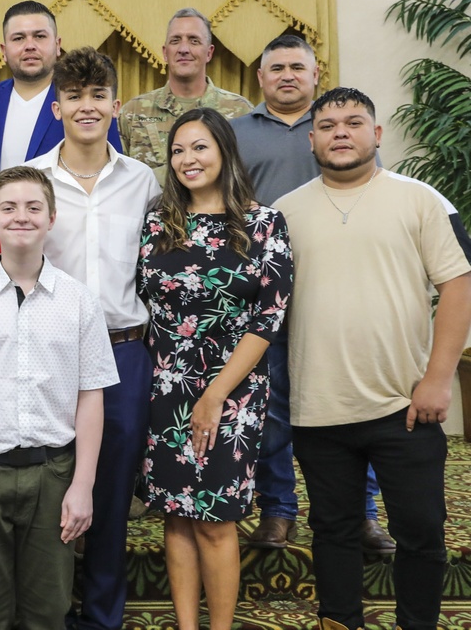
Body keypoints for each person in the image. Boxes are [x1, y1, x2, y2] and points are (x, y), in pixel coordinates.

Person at [274, 87, 471, 630]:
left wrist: (438, 378)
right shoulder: (284, 213)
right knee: (332, 531)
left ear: (376, 135)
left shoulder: (419, 200)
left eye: (354, 122)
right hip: (320, 406)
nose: (341, 132)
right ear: (311, 138)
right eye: (329, 124)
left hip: (405, 404)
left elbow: (457, 285)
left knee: (421, 532)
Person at [0, 165, 119, 630]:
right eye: (8, 207)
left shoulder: (79, 302)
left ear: (52, 217)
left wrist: (83, 486)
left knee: (48, 612)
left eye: (34, 207)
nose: (21, 217)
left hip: (53, 474)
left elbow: (91, 398)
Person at [230, 36, 394, 552]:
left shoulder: (339, 130)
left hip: (337, 294)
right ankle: (278, 511)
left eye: (296, 67)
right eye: (275, 68)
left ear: (315, 72)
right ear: (259, 77)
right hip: (263, 299)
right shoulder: (235, 133)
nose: (286, 76)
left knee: (350, 405)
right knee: (272, 410)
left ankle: (362, 512)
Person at [138, 108, 293, 630]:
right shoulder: (158, 221)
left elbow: (268, 318)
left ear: (224, 150)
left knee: (216, 520)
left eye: (199, 147)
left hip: (234, 392)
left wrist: (214, 394)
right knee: (178, 517)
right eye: (178, 150)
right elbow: (146, 302)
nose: (187, 160)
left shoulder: (264, 223)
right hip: (165, 387)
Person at [24, 46, 159, 630]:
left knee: (110, 490)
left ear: (116, 105)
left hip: (125, 350)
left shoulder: (144, 181)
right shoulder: (32, 179)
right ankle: (49, 609)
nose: (87, 106)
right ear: (57, 107)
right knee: (51, 481)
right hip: (51, 353)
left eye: (97, 95)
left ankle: (103, 614)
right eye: (74, 96)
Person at [0, 0, 122, 171]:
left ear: (58, 45)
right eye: (18, 38)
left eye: (39, 36)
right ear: (4, 51)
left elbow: (113, 168)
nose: (30, 46)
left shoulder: (81, 103)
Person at [119, 8, 251, 185]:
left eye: (194, 40)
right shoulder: (132, 112)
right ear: (165, 52)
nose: (183, 49)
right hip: (152, 211)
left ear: (209, 52)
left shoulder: (240, 110)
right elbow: (119, 178)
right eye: (175, 41)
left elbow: (248, 174)